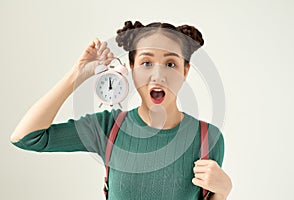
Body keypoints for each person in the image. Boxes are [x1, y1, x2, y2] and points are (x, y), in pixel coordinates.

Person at [10, 21, 232, 200]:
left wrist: (222, 192)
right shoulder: (108, 127)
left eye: (170, 64)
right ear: (132, 68)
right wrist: (76, 75)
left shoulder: (208, 138)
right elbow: (26, 137)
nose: (158, 75)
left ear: (185, 71)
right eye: (146, 63)